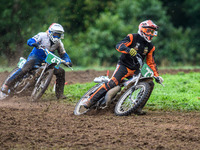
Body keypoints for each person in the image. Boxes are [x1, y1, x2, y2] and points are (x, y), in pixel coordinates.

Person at [83, 20, 164, 112]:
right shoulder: (132, 37)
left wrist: (157, 76)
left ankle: (138, 107)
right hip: (124, 66)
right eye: (149, 31)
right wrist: (128, 50)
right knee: (113, 83)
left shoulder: (150, 46)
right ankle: (89, 100)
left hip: (136, 70)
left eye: (153, 32)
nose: (151, 34)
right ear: (142, 30)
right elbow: (119, 45)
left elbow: (151, 62)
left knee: (150, 83)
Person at [1, 23, 72, 99]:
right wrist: (34, 43)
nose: (57, 36)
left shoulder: (59, 43)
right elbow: (30, 40)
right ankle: (7, 85)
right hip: (35, 57)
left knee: (61, 72)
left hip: (48, 61)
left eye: (59, 35)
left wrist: (67, 61)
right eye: (55, 34)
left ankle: (60, 95)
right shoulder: (42, 35)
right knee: (25, 69)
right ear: (50, 32)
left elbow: (63, 54)